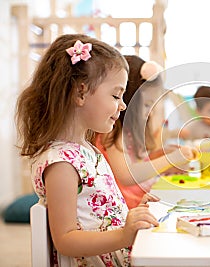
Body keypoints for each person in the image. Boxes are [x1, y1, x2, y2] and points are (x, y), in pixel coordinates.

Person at [15, 34, 163, 266]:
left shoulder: (87, 150)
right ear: (81, 93)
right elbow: (65, 240)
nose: (123, 105)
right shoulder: (62, 163)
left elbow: (99, 212)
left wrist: (132, 215)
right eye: (116, 95)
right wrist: (124, 234)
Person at [95, 55, 197, 209]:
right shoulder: (112, 130)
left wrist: (158, 155)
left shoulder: (129, 130)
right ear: (128, 99)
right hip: (128, 206)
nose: (149, 112)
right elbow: (127, 176)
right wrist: (171, 159)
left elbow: (135, 164)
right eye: (147, 104)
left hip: (141, 197)